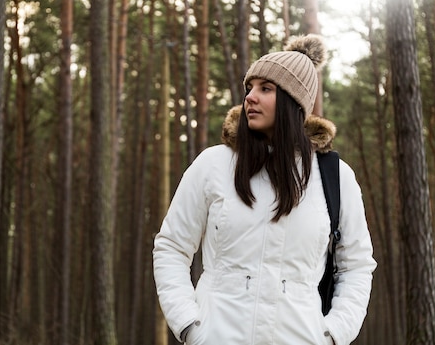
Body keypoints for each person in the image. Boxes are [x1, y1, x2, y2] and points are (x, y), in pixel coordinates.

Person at [153, 35, 376, 345]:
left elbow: (357, 265)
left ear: (293, 102)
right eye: (250, 88)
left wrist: (333, 334)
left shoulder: (334, 176)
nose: (250, 97)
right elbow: (171, 247)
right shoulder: (214, 164)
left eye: (265, 89)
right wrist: (190, 327)